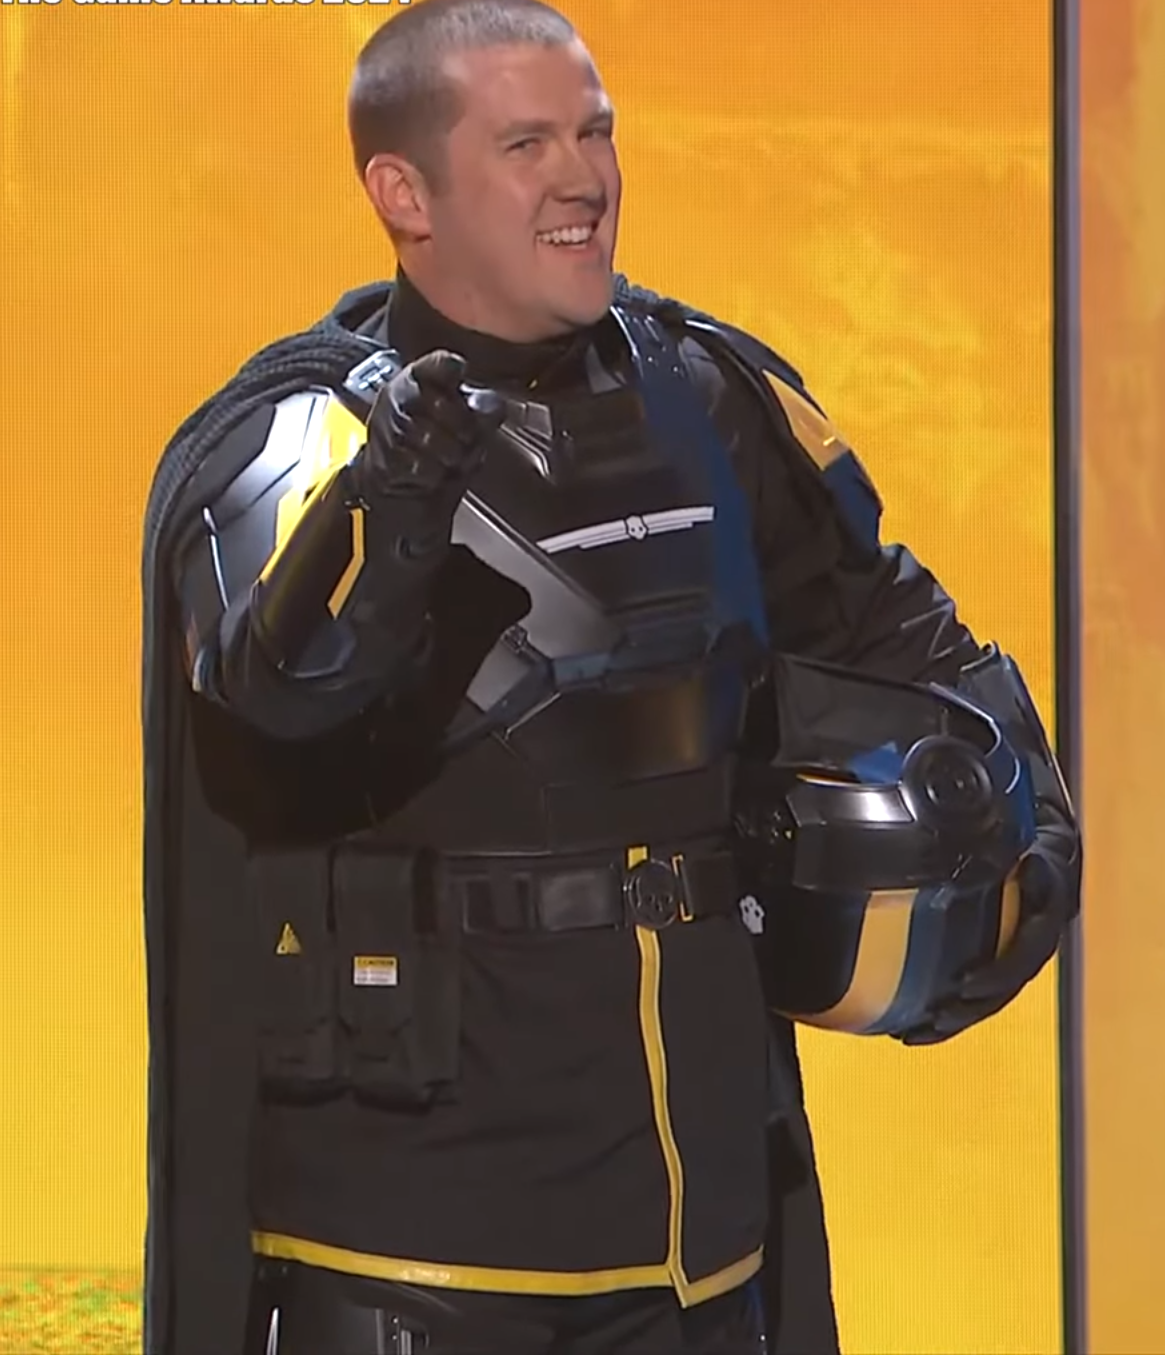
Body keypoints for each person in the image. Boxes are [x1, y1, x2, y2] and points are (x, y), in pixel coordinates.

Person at [139, 2, 1081, 1352]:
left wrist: (1018, 831)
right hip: (413, 1256)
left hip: (701, 1249)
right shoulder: (303, 437)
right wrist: (389, 520)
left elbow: (892, 631)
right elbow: (270, 692)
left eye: (596, 132)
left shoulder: (712, 397)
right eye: (527, 144)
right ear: (404, 193)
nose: (582, 176)